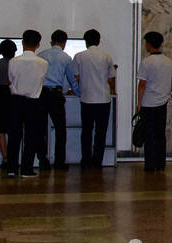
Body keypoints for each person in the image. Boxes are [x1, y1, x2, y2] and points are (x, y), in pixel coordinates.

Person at [73, 29, 116, 169]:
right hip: (103, 99)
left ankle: (86, 160)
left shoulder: (79, 56)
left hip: (86, 99)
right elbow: (111, 79)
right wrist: (112, 90)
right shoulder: (106, 57)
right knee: (101, 132)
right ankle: (97, 161)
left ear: (86, 42)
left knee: (86, 131)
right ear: (99, 41)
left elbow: (77, 77)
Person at [8, 30, 48, 178]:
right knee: (31, 136)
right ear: (38, 44)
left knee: (14, 135)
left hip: (16, 100)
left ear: (22, 42)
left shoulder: (13, 61)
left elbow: (10, 80)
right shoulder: (43, 63)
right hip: (34, 102)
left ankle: (11, 168)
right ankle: (26, 169)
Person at [137, 31, 172, 172]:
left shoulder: (146, 62)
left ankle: (150, 164)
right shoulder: (168, 61)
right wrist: (166, 90)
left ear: (148, 44)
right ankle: (161, 164)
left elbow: (142, 85)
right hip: (163, 102)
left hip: (148, 103)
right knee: (160, 134)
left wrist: (139, 103)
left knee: (149, 135)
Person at [38, 30, 78, 169]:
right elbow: (72, 79)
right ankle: (59, 162)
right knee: (60, 129)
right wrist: (78, 92)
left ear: (51, 41)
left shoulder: (41, 55)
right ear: (64, 43)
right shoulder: (66, 57)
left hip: (41, 94)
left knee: (41, 129)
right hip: (56, 94)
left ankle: (43, 160)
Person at [0, 39, 18, 171]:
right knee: (14, 129)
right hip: (14, 95)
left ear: (0, 51)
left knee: (0, 129)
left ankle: (5, 157)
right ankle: (13, 157)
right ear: (15, 50)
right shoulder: (17, 63)